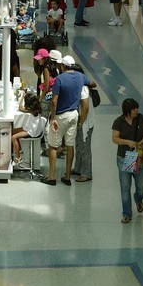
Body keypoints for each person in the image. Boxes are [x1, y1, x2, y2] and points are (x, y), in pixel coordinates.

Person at [41, 51, 89, 186]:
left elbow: (54, 101)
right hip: (74, 115)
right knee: (69, 145)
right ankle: (67, 176)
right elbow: (92, 83)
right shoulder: (81, 77)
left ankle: (51, 177)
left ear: (63, 66)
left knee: (53, 146)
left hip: (61, 115)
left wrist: (54, 118)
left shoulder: (60, 79)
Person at [112, 96, 143, 224]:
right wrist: (127, 142)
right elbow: (115, 138)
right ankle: (126, 213)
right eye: (134, 109)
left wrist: (140, 143)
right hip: (124, 157)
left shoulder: (141, 119)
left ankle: (138, 199)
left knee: (141, 185)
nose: (136, 110)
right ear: (128, 111)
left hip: (138, 157)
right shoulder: (119, 122)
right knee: (125, 186)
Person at [72, 58, 98, 182]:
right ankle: (78, 168)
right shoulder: (81, 86)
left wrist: (80, 123)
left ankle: (86, 173)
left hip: (85, 122)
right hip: (82, 120)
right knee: (79, 144)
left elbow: (86, 108)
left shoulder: (83, 88)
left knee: (85, 146)